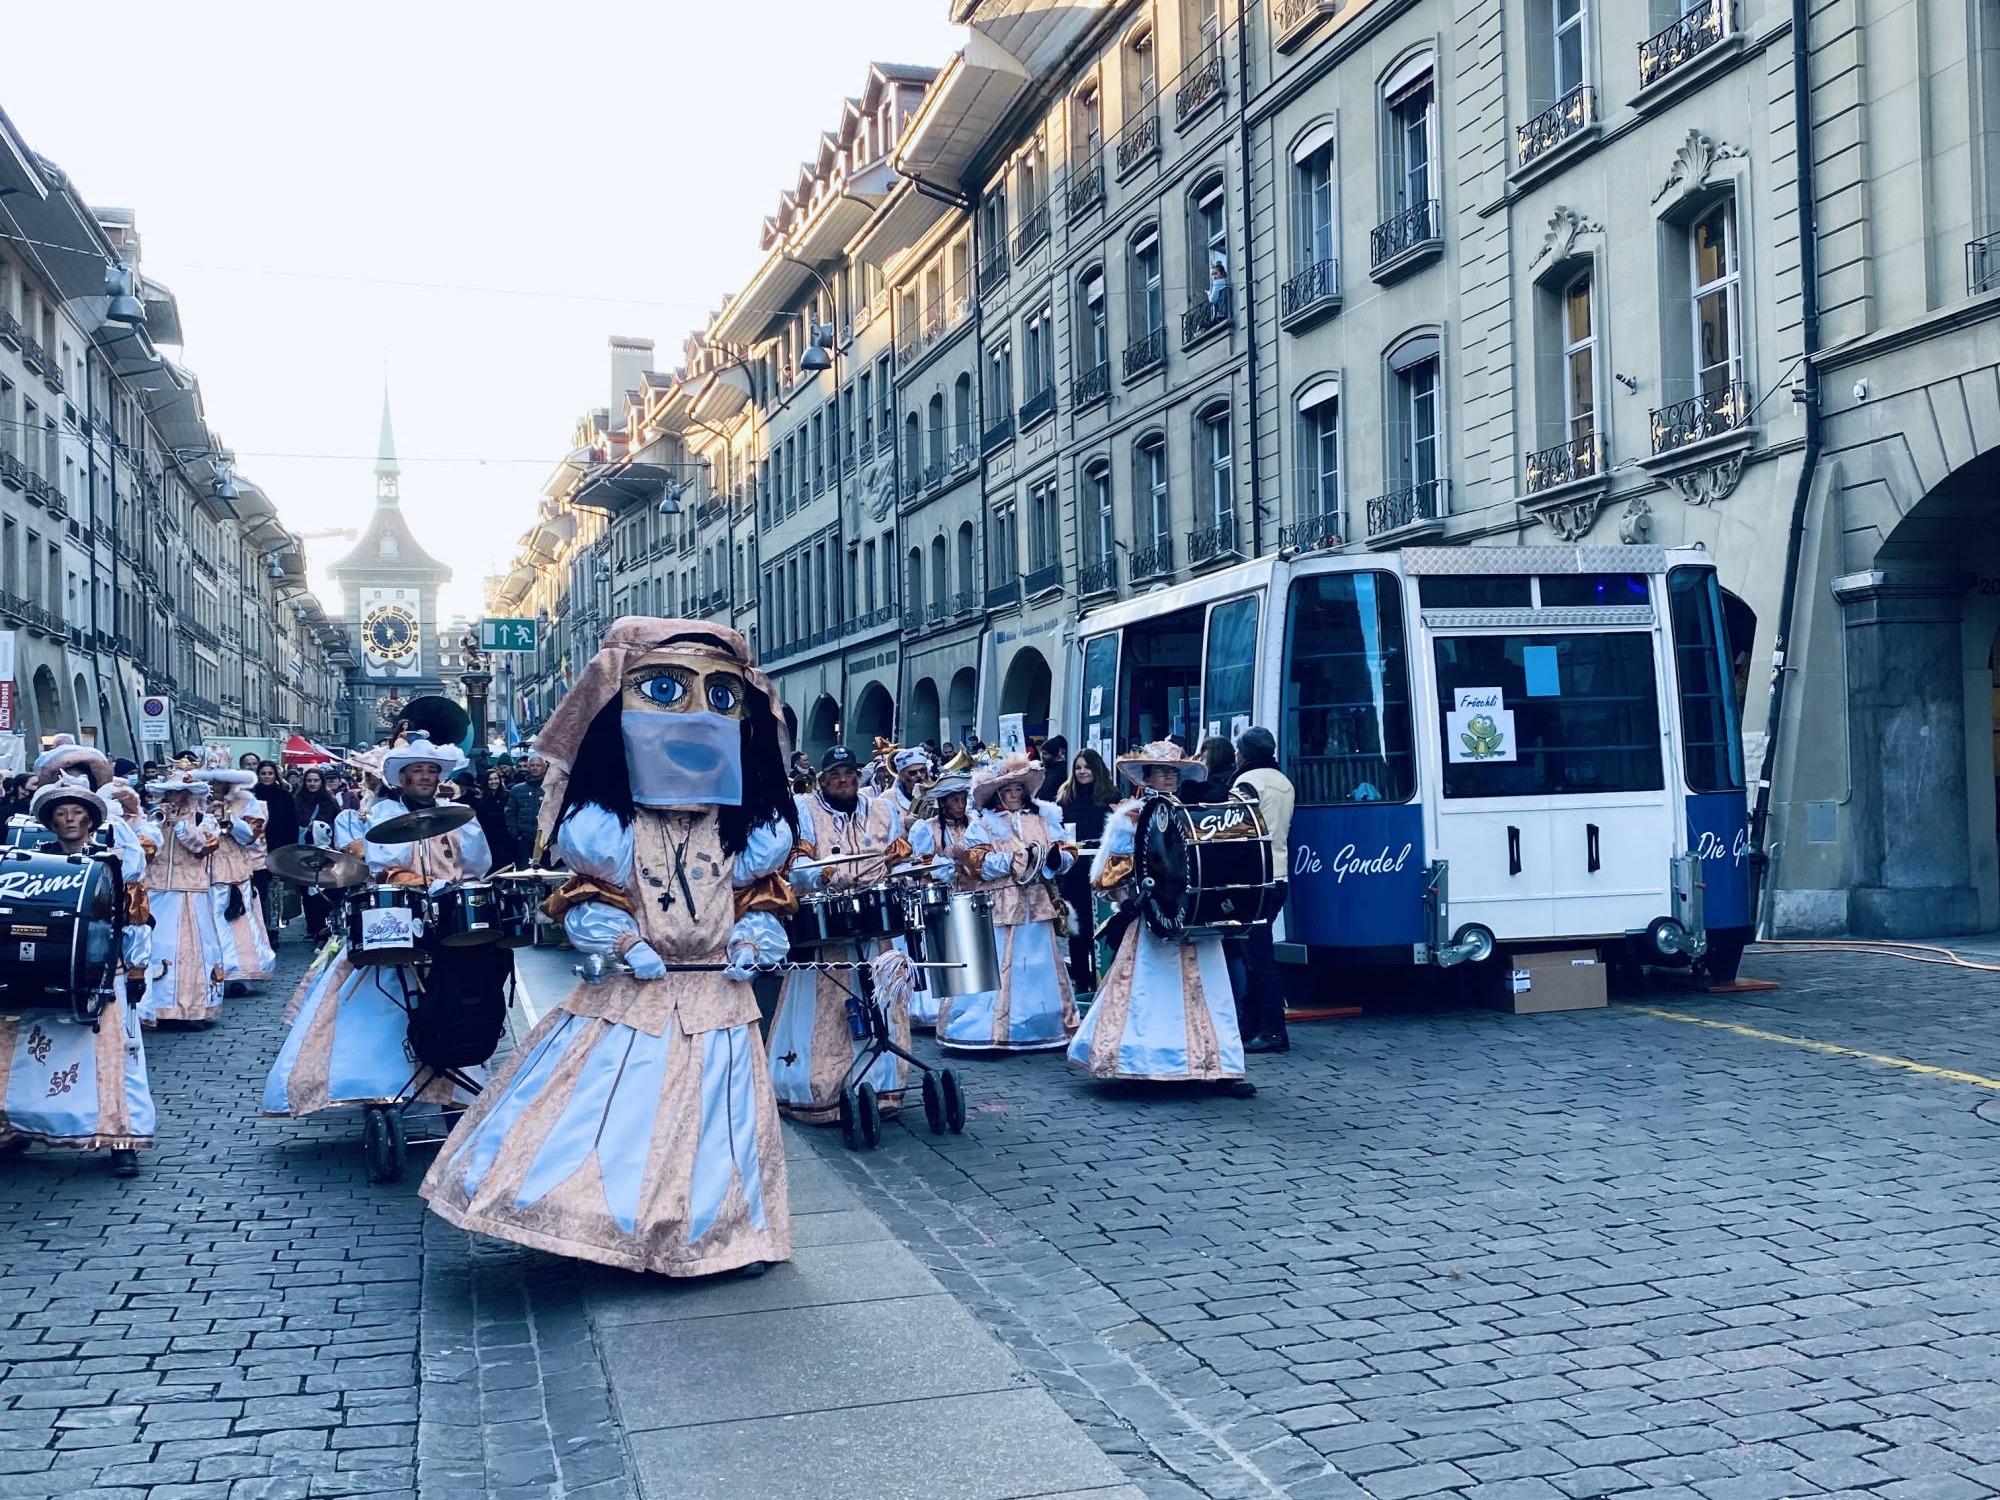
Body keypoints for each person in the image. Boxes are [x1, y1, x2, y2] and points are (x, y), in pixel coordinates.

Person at [423, 618, 795, 1278]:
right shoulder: (609, 829)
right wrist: (623, 940)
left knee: (718, 1124)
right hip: (635, 997)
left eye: (720, 698)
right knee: (617, 1117)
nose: (695, 719)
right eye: (664, 690)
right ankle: (609, 1229)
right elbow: (588, 899)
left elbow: (760, 898)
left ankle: (720, 1236)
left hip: (717, 997)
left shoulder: (745, 831)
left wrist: (754, 939)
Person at [263, 734, 495, 1120]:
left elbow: (476, 865)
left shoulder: (457, 814)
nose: (424, 778)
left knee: (457, 993)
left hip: (448, 918)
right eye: (416, 771)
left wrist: (455, 887)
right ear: (402, 778)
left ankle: (456, 1076)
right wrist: (419, 883)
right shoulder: (387, 814)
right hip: (403, 917)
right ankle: (380, 1083)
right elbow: (382, 866)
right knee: (385, 999)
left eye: (430, 771)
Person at [1066, 742, 1251, 1096]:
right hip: (1153, 920)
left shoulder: (1196, 812)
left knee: (1212, 992)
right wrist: (1126, 902)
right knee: (1153, 989)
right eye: (1161, 772)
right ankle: (1146, 1063)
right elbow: (1106, 872)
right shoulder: (1130, 816)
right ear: (1146, 776)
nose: (1168, 778)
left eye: (1173, 772)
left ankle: (1220, 1066)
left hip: (1196, 918)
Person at [0, 774, 156, 1176]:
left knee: (113, 1057)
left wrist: (137, 968)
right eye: (62, 814)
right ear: (52, 823)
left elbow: (135, 919)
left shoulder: (112, 863)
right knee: (19, 1048)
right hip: (47, 969)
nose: (69, 820)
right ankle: (13, 1128)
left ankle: (120, 1140)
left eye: (77, 813)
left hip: (102, 970)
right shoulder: (36, 865)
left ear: (90, 821)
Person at [767, 745, 915, 1124]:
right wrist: (824, 873)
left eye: (849, 773)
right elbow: (794, 864)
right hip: (825, 927)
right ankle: (823, 1090)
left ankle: (884, 1087)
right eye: (835, 774)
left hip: (874, 923)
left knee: (882, 999)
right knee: (829, 1006)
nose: (844, 780)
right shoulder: (804, 810)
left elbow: (900, 859)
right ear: (823, 779)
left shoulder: (881, 811)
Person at [937, 755, 1077, 1053]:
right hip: (999, 903)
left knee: (1037, 964)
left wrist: (1056, 860)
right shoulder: (984, 825)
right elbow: (978, 863)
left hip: (1036, 903)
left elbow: (1067, 853)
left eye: (1018, 790)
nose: (1014, 795)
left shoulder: (1042, 819)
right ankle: (986, 1029)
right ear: (998, 794)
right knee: (997, 963)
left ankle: (1041, 1025)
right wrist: (1018, 860)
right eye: (1008, 790)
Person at [133, 765, 226, 1027]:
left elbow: (203, 847)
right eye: (169, 794)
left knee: (189, 950)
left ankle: (191, 1007)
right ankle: (154, 1008)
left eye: (179, 793)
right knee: (156, 946)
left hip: (190, 892)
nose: (173, 799)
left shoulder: (202, 820)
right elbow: (143, 852)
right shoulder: (151, 819)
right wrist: (153, 827)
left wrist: (179, 826)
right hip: (155, 889)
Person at [1229, 727, 1296, 1053]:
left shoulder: (1248, 783)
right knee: (1256, 953)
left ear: (1245, 752)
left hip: (1253, 878)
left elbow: (1235, 830)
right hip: (1278, 876)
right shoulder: (1283, 781)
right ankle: (1251, 1026)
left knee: (1258, 959)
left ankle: (1272, 1030)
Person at [903, 769, 980, 1029]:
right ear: (943, 802)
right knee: (943, 950)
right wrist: (945, 866)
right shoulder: (928, 828)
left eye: (963, 799)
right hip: (939, 899)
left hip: (970, 894)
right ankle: (937, 1008)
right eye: (954, 800)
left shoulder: (975, 823)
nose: (960, 805)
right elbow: (920, 861)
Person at [199, 758, 276, 990]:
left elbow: (252, 838)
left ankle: (237, 969)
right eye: (211, 782)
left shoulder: (246, 801)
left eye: (219, 782)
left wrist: (229, 819)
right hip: (202, 866)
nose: (215, 787)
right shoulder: (197, 802)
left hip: (233, 866)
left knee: (235, 915)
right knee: (206, 917)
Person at [1055, 749, 1118, 996]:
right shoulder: (1064, 797)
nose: (1082, 772)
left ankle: (1106, 982)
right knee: (1078, 930)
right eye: (1078, 767)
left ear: (1096, 769)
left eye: (1087, 767)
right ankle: (1082, 983)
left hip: (1102, 871)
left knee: (1101, 927)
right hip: (1074, 872)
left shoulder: (1110, 796)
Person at [292, 767, 342, 943]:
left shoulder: (330, 802)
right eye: (309, 780)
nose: (312, 784)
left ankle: (325, 927)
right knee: (307, 891)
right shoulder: (297, 801)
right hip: (303, 851)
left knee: (324, 889)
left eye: (316, 780)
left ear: (321, 782)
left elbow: (337, 826)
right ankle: (312, 927)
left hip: (325, 852)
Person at [256, 761, 299, 938]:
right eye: (263, 773)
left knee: (275, 891)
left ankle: (273, 929)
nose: (266, 776)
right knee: (259, 890)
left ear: (275, 775)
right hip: (257, 848)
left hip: (278, 846)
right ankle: (260, 928)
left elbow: (291, 823)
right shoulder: (252, 794)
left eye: (270, 773)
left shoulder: (284, 796)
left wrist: (289, 849)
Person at [471, 765, 519, 871]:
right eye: (490, 779)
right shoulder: (480, 799)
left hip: (506, 836)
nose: (493, 782)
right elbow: (486, 816)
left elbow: (510, 814)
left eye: (495, 779)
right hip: (489, 837)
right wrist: (502, 814)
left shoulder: (507, 795)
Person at [504, 753, 546, 862]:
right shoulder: (516, 790)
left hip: (545, 839)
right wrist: (516, 835)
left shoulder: (552, 789)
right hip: (523, 839)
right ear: (528, 767)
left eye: (538, 765)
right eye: (532, 765)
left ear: (544, 768)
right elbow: (510, 814)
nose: (535, 768)